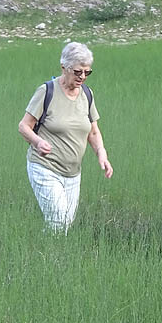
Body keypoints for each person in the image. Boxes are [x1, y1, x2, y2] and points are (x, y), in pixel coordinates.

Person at [18, 42, 113, 233]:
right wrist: (37, 141)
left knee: (65, 225)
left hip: (73, 174)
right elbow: (24, 126)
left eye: (87, 72)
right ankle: (45, 259)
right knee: (58, 221)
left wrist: (102, 154)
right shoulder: (47, 92)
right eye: (78, 72)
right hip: (45, 168)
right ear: (64, 68)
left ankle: (49, 256)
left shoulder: (87, 94)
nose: (83, 77)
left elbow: (93, 131)